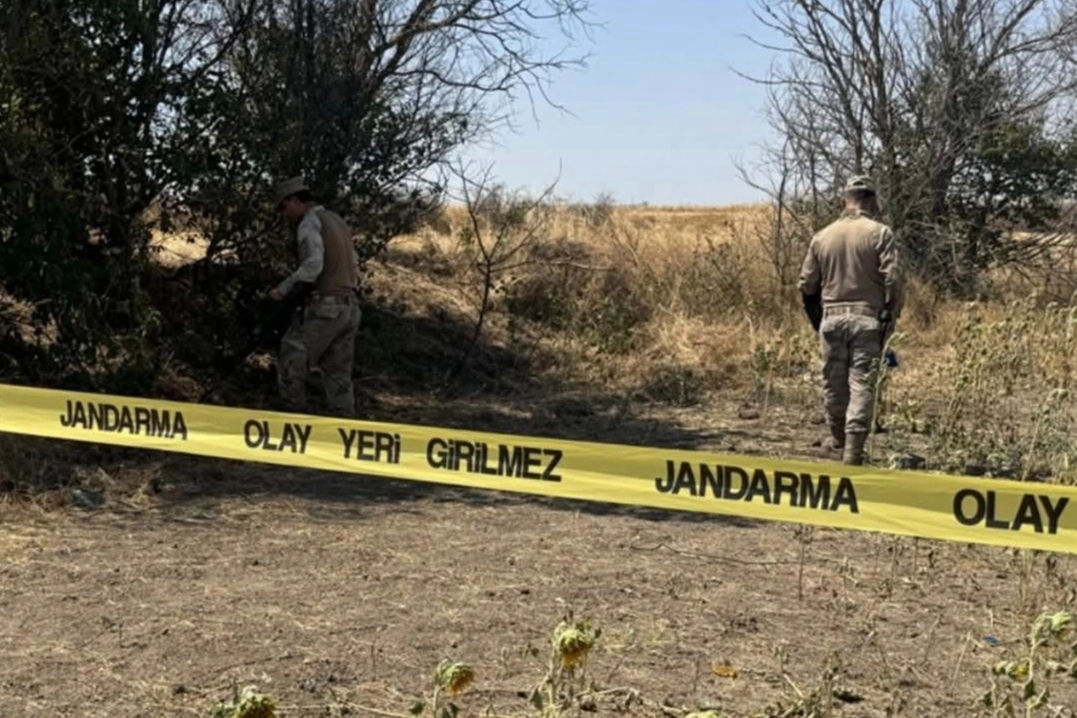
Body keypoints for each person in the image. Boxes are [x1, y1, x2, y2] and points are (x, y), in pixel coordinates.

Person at [798, 175, 903, 465]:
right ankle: (853, 453)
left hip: (830, 319)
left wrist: (818, 318)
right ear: (871, 200)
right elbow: (893, 278)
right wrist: (891, 312)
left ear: (844, 200)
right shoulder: (880, 233)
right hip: (867, 319)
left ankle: (838, 441)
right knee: (862, 385)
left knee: (833, 383)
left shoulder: (822, 236)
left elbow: (806, 284)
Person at [271, 176, 362, 417]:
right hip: (349, 308)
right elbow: (354, 264)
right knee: (338, 373)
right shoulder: (336, 220)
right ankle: (344, 426)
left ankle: (292, 421)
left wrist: (283, 289)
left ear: (293, 200)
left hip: (326, 307)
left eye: (283, 207)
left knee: (292, 355)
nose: (283, 214)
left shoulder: (309, 223)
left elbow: (313, 265)